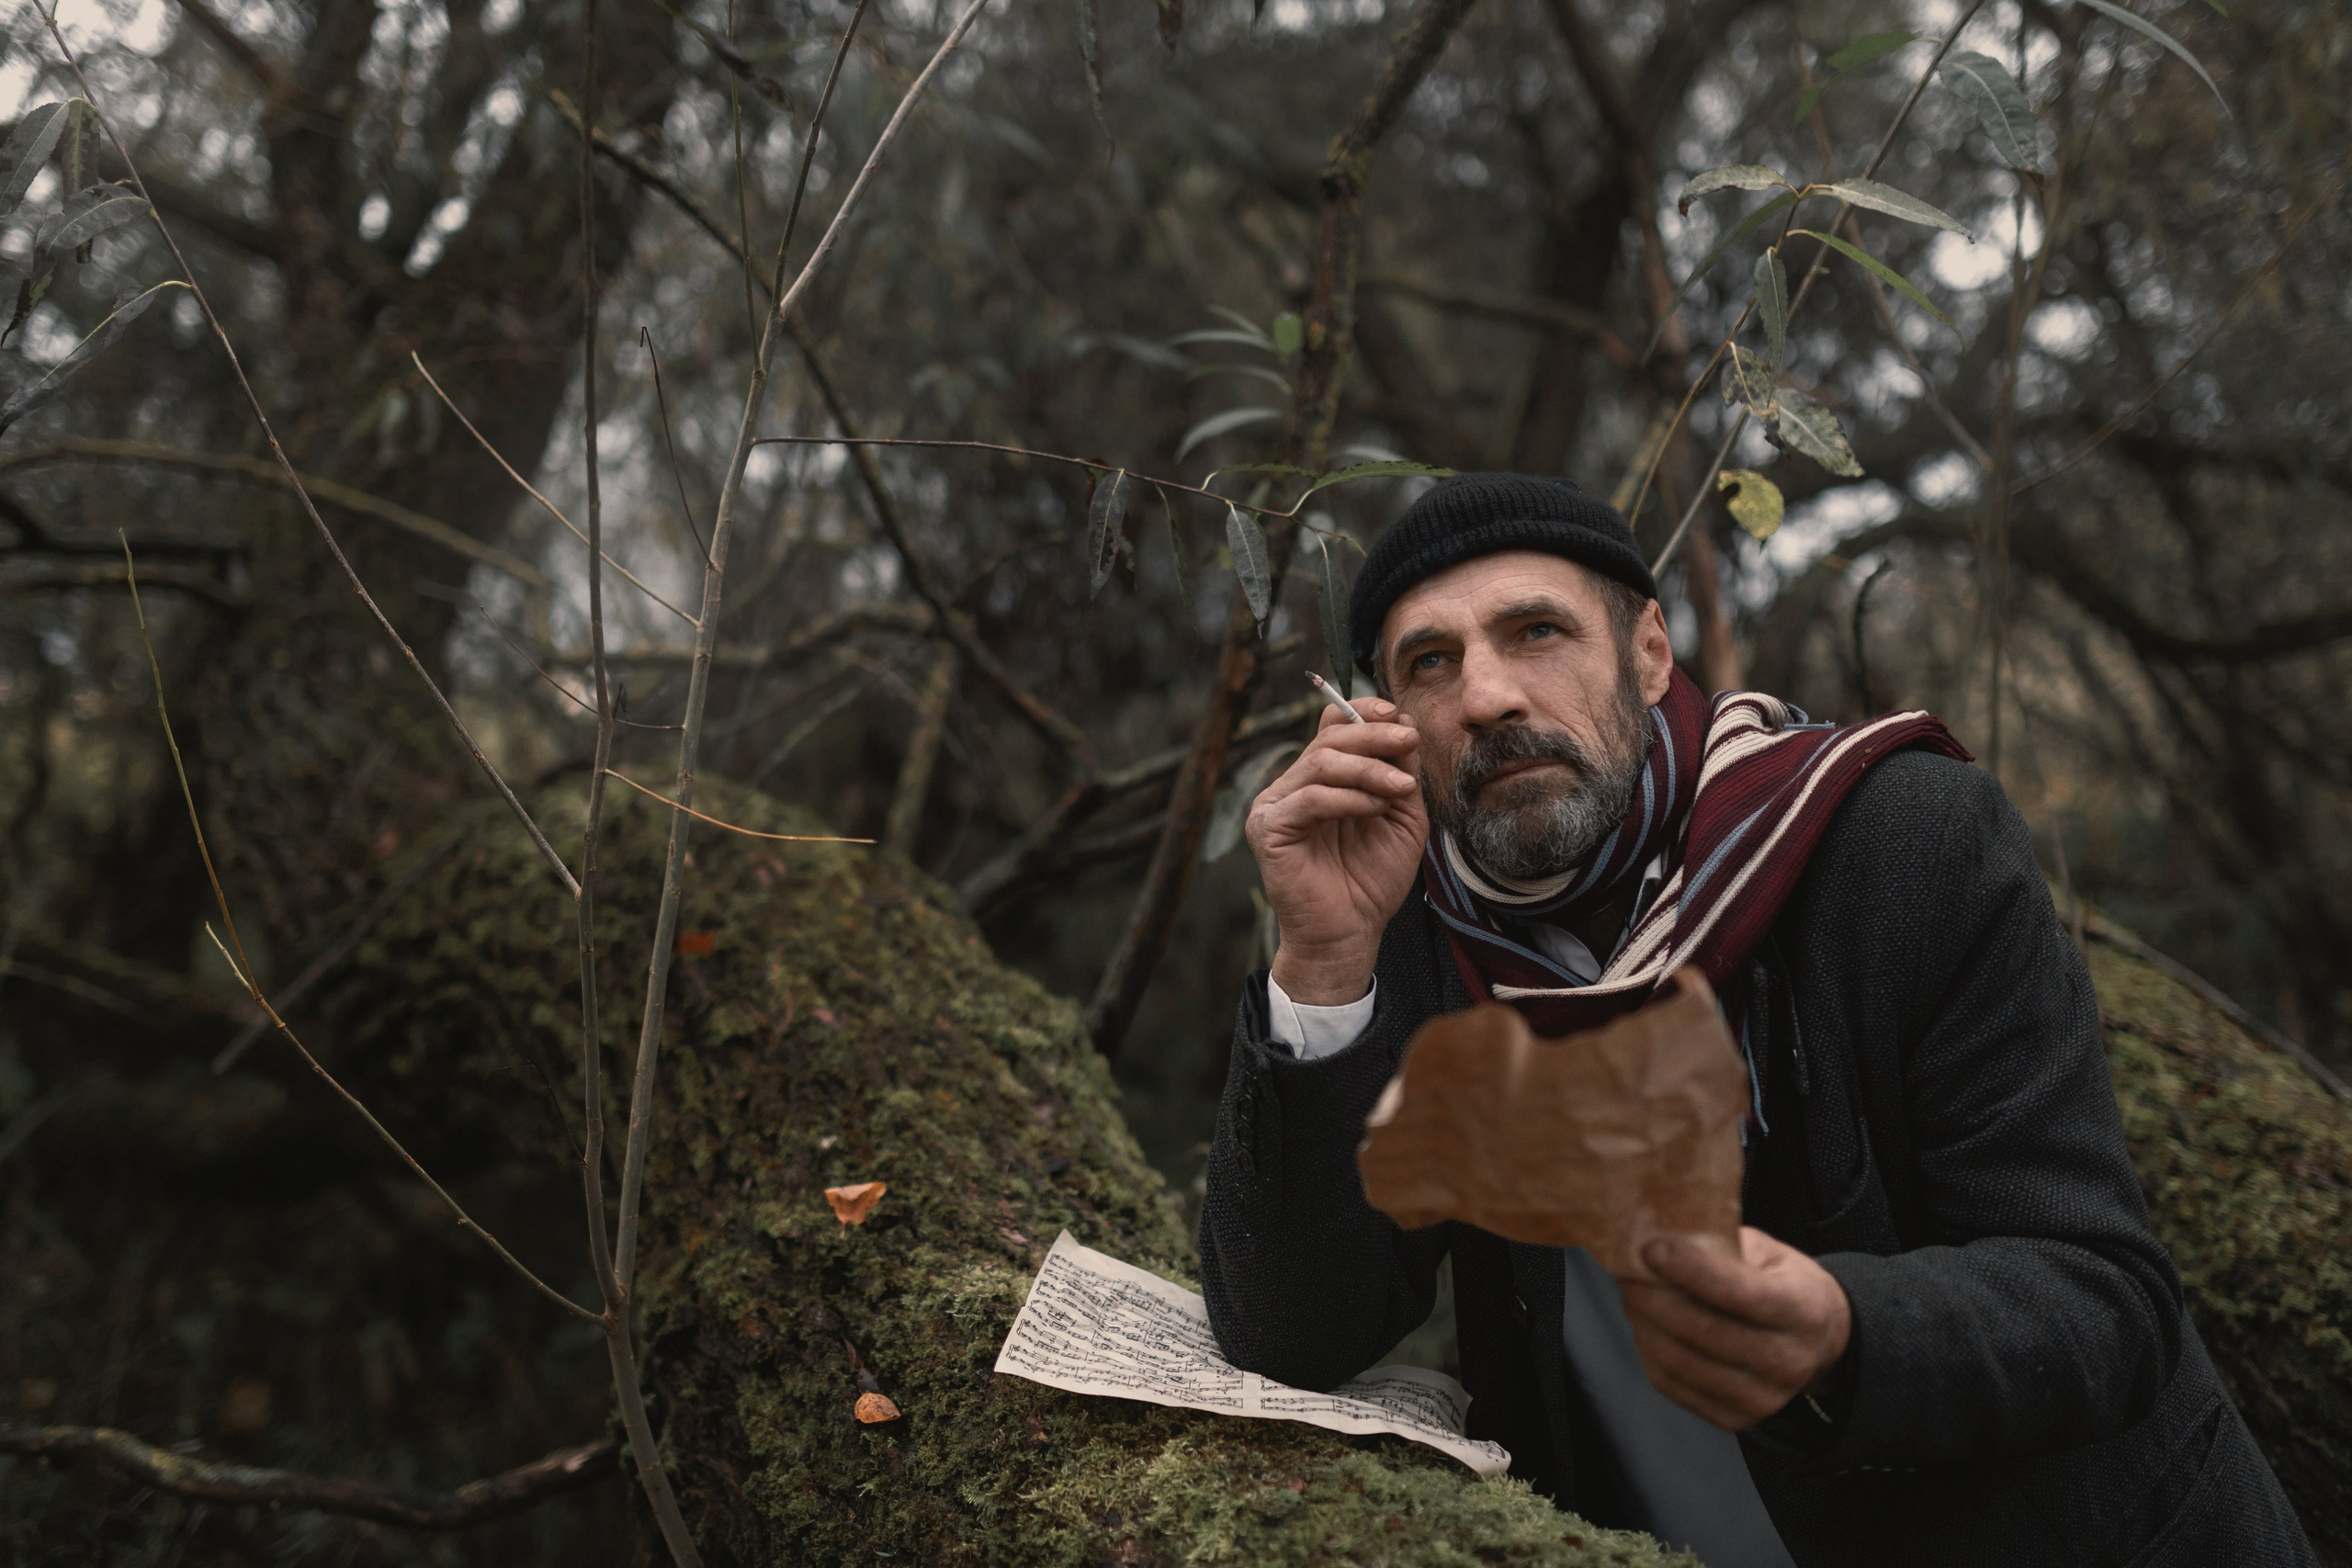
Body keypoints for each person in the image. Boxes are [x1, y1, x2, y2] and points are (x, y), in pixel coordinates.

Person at [1198, 472, 2314, 1567]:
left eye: (1535, 631)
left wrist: (1846, 1333)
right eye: (1429, 663)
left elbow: (2100, 1297)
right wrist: (1323, 963)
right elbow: (1294, 1337)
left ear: (1645, 652)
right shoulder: (1408, 932)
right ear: (1389, 722)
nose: (1486, 696)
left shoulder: (1896, 846)